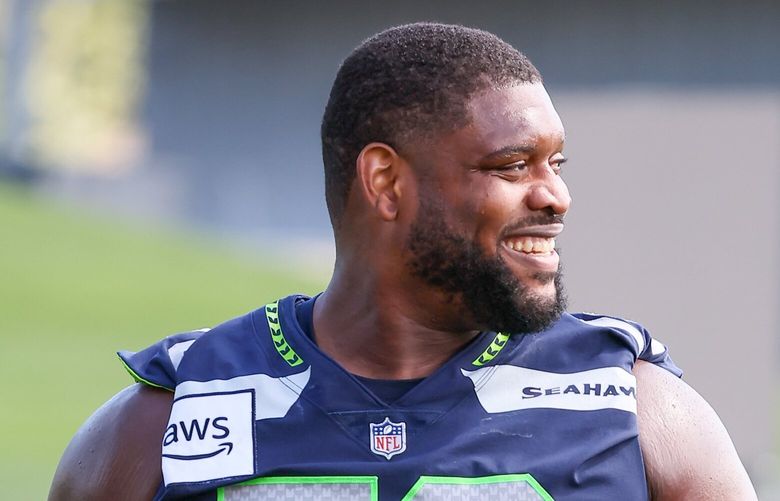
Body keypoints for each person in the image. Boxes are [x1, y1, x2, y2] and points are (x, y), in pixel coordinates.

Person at [49, 23, 757, 501]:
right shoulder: (169, 418)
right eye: (511, 164)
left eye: (556, 163)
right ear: (386, 182)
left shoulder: (640, 412)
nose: (556, 196)